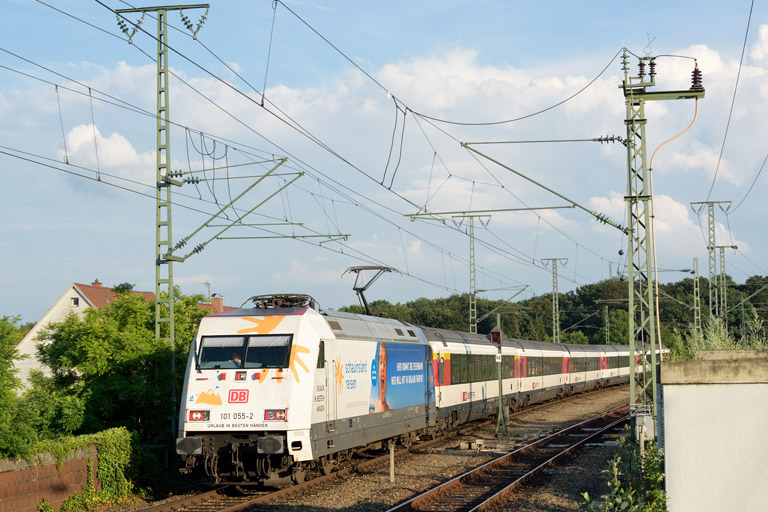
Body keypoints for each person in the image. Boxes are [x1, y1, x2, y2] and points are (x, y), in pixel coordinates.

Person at [373, 343, 390, 412]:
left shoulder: (386, 407)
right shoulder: (376, 404)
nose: (382, 368)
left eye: (385, 364)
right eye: (380, 363)